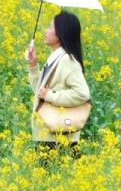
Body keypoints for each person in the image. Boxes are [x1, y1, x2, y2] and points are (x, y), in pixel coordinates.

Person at [26, 11, 91, 160]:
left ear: (60, 33)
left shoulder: (67, 60)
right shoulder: (55, 59)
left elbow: (82, 93)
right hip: (48, 134)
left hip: (60, 137)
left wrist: (51, 96)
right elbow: (39, 91)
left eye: (50, 27)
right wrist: (33, 65)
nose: (45, 31)